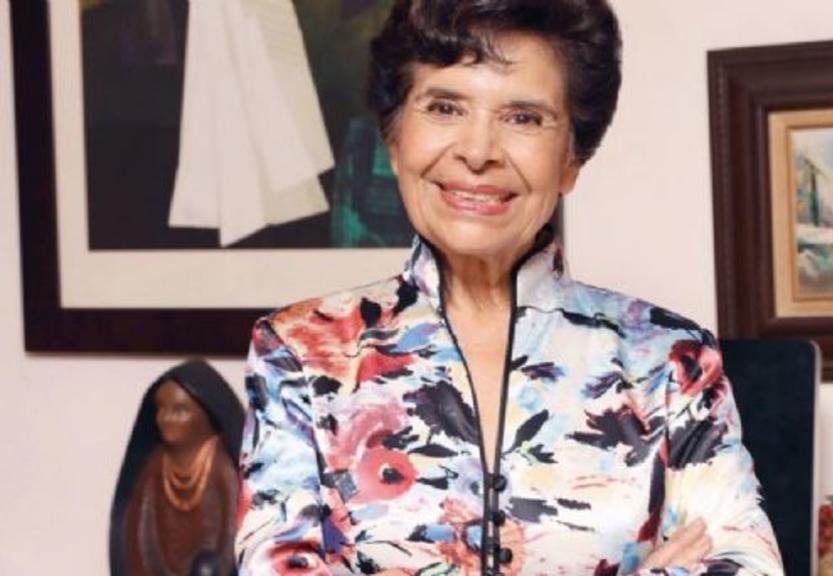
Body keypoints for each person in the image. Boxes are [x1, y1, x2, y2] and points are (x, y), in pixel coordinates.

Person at [235, 1, 782, 574]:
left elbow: (746, 564)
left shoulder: (669, 361)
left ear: (571, 160)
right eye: (445, 107)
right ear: (394, 142)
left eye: (523, 117)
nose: (478, 152)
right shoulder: (300, 351)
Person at [111, 360, 245, 576]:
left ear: (209, 413)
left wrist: (220, 567)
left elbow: (234, 532)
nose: (166, 418)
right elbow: (138, 526)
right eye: (161, 408)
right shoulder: (156, 464)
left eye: (180, 410)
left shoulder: (221, 465)